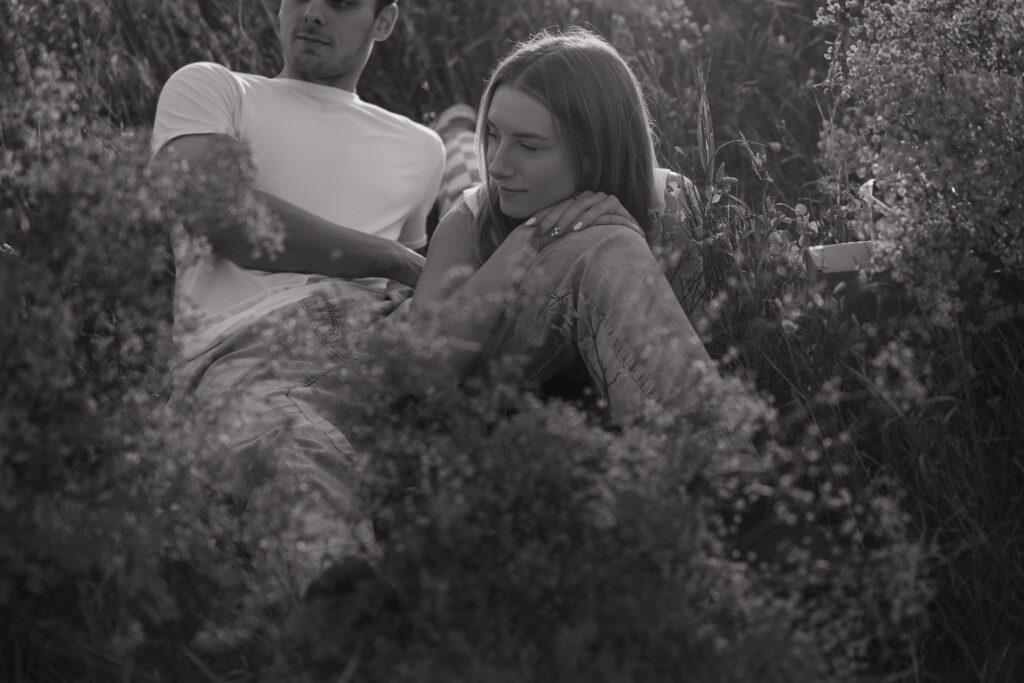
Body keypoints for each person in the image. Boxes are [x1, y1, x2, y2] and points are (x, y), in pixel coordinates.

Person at [149, 0, 445, 592]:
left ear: (383, 22)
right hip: (249, 347)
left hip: (389, 329)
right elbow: (219, 212)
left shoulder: (422, 149)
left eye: (339, 3)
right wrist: (388, 256)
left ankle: (681, 439)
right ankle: (352, 625)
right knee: (286, 455)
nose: (312, 13)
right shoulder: (214, 89)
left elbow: (421, 286)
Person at [412, 27, 717, 427]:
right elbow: (414, 369)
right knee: (463, 179)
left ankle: (455, 129)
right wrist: (527, 241)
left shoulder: (671, 203)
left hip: (593, 435)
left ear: (595, 152)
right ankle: (455, 130)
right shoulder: (467, 221)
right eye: (492, 135)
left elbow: (692, 348)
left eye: (529, 145)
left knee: (609, 243)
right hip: (495, 416)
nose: (499, 164)